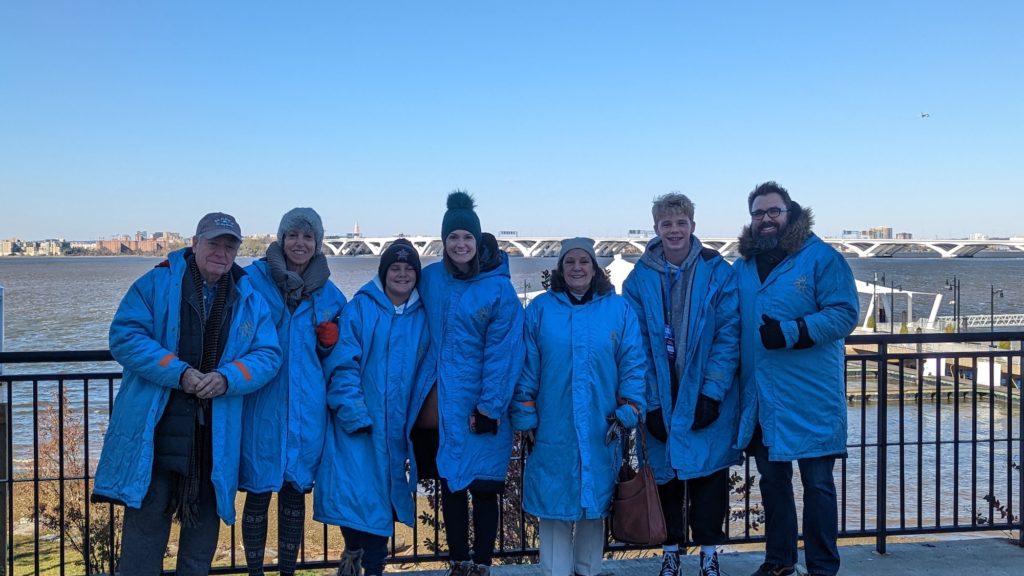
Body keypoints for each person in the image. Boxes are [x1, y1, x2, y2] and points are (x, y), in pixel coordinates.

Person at [92, 212, 281, 576]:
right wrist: (179, 373)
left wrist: (227, 379)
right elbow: (124, 337)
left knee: (199, 549)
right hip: (157, 435)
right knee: (143, 544)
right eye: (214, 243)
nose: (221, 252)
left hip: (213, 440)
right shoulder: (156, 283)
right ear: (194, 243)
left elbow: (268, 354)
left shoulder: (249, 297)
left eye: (230, 246)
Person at [732, 182, 859, 576]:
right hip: (761, 396)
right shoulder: (743, 267)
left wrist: (792, 331)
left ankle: (822, 566)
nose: (766, 219)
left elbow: (844, 313)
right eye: (758, 213)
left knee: (818, 485)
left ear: (790, 213)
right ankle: (779, 561)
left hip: (810, 395)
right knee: (772, 484)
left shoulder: (821, 258)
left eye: (773, 211)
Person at [511, 237, 646, 576]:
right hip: (553, 424)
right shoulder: (541, 309)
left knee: (595, 507)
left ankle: (588, 570)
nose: (576, 268)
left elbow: (632, 361)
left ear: (594, 267)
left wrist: (630, 405)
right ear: (560, 268)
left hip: (603, 423)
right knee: (554, 508)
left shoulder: (618, 309)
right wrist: (526, 411)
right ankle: (554, 571)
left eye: (583, 261)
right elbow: (527, 364)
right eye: (569, 262)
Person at [622, 193, 741, 576]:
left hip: (703, 391)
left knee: (709, 476)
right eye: (666, 224)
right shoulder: (640, 278)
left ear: (692, 225)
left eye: (681, 223)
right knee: (665, 478)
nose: (674, 230)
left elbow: (728, 334)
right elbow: (635, 342)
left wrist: (712, 391)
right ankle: (670, 550)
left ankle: (709, 553)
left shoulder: (717, 271)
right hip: (661, 391)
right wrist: (651, 401)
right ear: (656, 228)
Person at [416, 191, 525, 576]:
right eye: (453, 238)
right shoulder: (430, 279)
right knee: (451, 482)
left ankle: (482, 562)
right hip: (442, 401)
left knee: (485, 485)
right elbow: (392, 294)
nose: (460, 245)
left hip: (482, 401)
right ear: (443, 242)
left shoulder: (498, 289)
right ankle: (458, 560)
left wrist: (491, 405)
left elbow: (505, 351)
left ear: (478, 242)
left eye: (467, 238)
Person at [239, 208, 347, 576]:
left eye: (307, 237)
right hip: (261, 402)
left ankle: (287, 572)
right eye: (293, 236)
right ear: (281, 239)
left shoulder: (330, 296)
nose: (299, 243)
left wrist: (330, 346)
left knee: (293, 492)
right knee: (256, 491)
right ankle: (255, 572)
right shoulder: (252, 281)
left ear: (317, 243)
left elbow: (341, 357)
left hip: (306, 406)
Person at [314, 238, 431, 576]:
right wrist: (352, 413)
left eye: (409, 269)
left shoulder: (423, 316)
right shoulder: (360, 309)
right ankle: (356, 559)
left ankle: (364, 565)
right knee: (359, 503)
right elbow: (342, 364)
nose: (402, 274)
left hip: (397, 431)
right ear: (384, 272)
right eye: (395, 268)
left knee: (379, 508)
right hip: (358, 427)